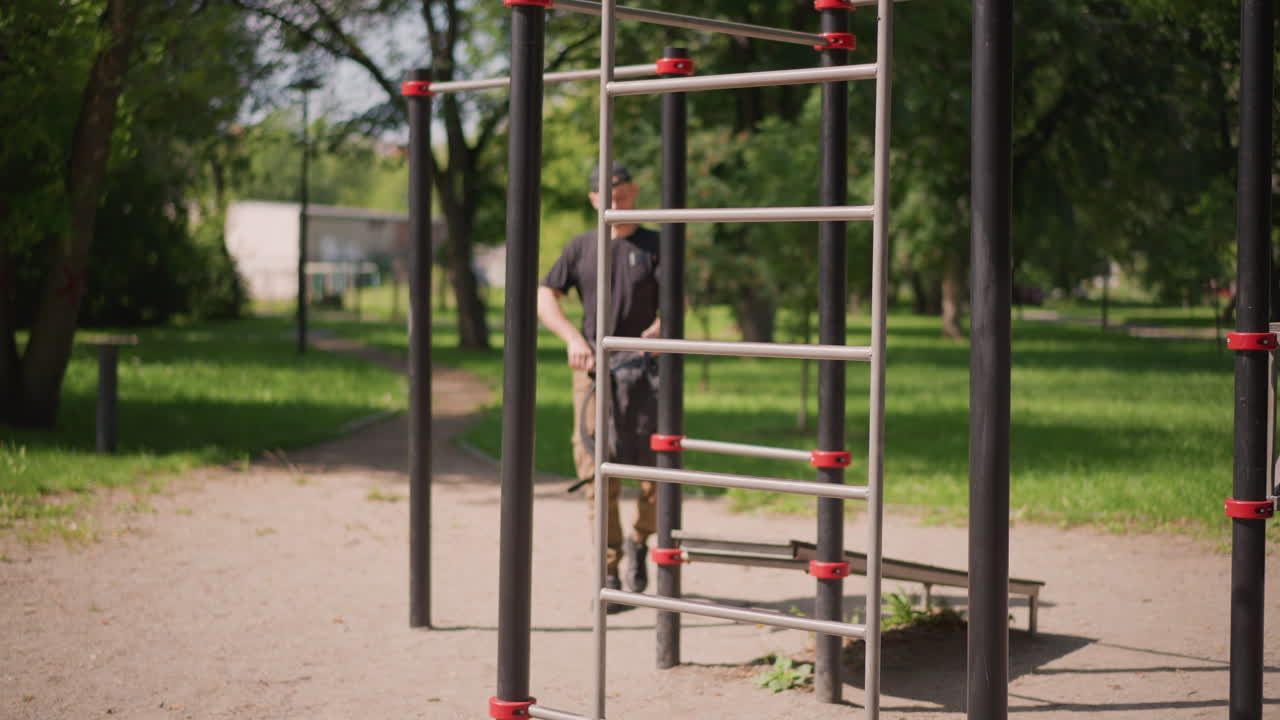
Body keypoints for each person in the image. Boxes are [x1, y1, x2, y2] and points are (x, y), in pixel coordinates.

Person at [537, 163, 660, 601]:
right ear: (593, 200)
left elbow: (675, 301)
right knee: (596, 467)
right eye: (610, 197)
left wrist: (661, 329)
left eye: (625, 195)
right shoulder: (581, 248)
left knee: (655, 470)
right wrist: (572, 338)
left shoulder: (655, 244)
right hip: (594, 372)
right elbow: (545, 293)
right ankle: (608, 569)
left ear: (635, 191)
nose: (618, 204)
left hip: (649, 373)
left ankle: (640, 542)